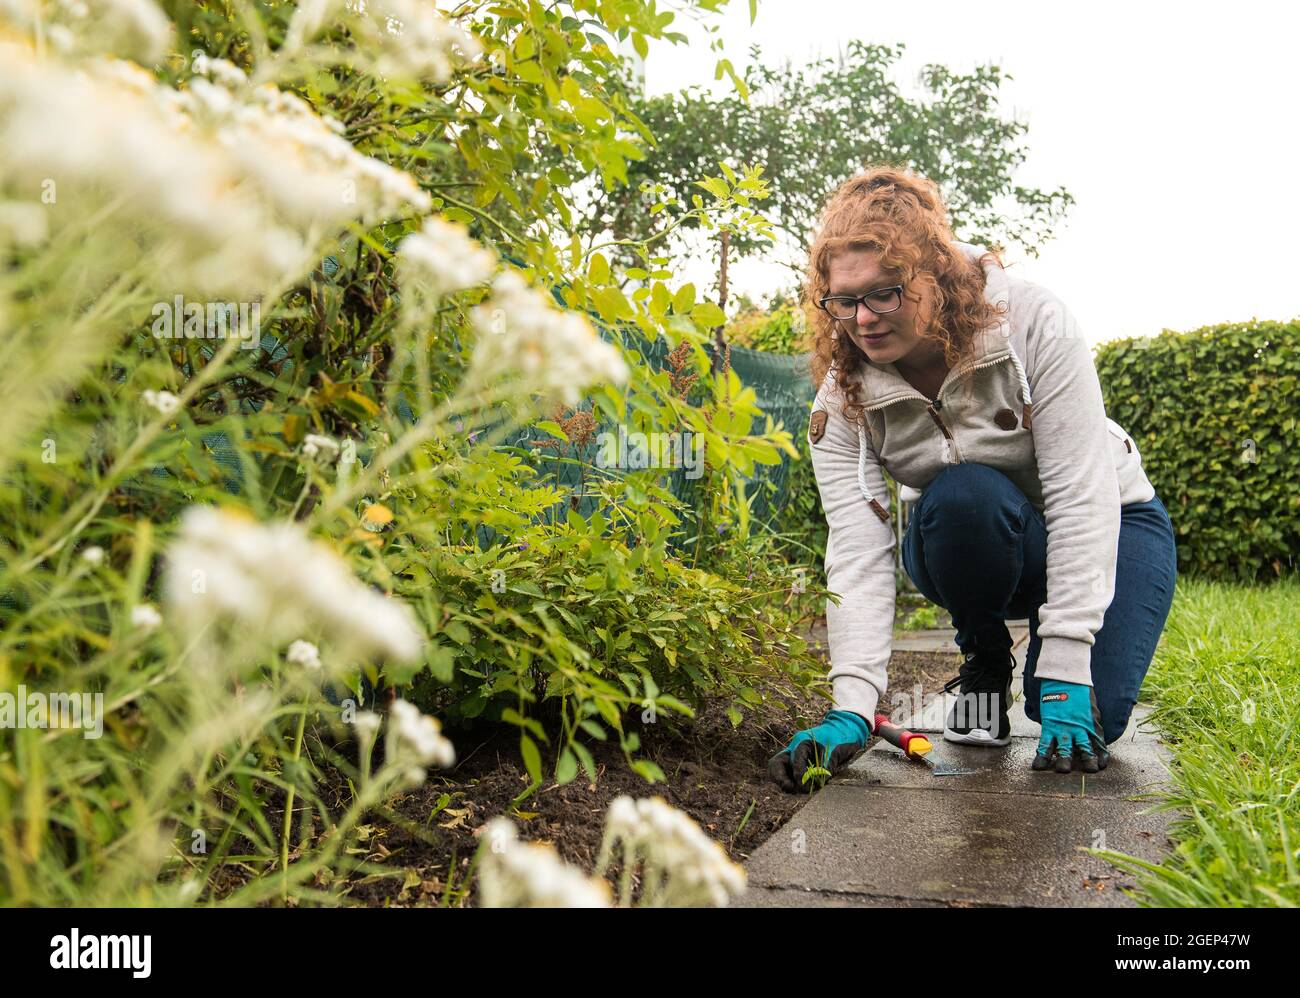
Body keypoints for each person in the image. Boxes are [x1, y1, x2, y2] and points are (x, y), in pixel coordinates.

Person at [768, 166, 1177, 793]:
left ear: (936, 273)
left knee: (1091, 717)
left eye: (886, 293)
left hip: (1114, 523)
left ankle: (1049, 661)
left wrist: (1067, 660)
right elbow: (856, 551)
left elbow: (1080, 495)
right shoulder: (842, 399)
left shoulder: (1035, 322)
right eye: (845, 300)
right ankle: (985, 659)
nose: (865, 318)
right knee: (963, 498)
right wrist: (853, 701)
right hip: (981, 536)